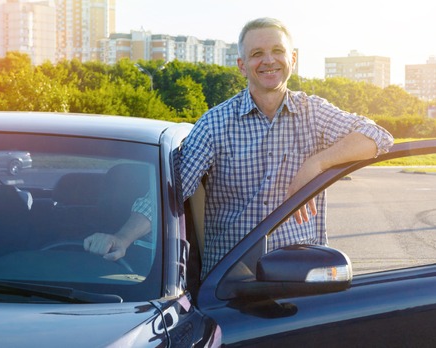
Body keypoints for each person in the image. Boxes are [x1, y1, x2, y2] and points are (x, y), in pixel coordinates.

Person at [84, 17, 394, 279]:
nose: (268, 60)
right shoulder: (216, 123)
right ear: (242, 65)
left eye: (277, 51)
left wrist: (316, 164)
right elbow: (173, 191)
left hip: (302, 274)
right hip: (230, 280)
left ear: (293, 59)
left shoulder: (314, 113)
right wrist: (122, 238)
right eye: (257, 53)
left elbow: (377, 137)